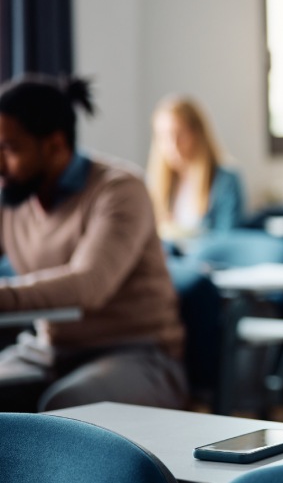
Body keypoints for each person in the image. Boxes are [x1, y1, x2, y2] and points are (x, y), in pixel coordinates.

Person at [0, 74, 186, 411]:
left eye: (10, 149)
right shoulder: (14, 197)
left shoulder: (119, 190)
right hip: (48, 352)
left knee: (67, 406)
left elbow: (90, 284)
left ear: (55, 145)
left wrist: (6, 294)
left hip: (137, 354)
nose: (0, 164)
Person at [147, 95, 245, 240]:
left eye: (179, 134)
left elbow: (226, 240)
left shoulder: (225, 181)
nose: (172, 145)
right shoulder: (156, 183)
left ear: (197, 134)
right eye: (164, 136)